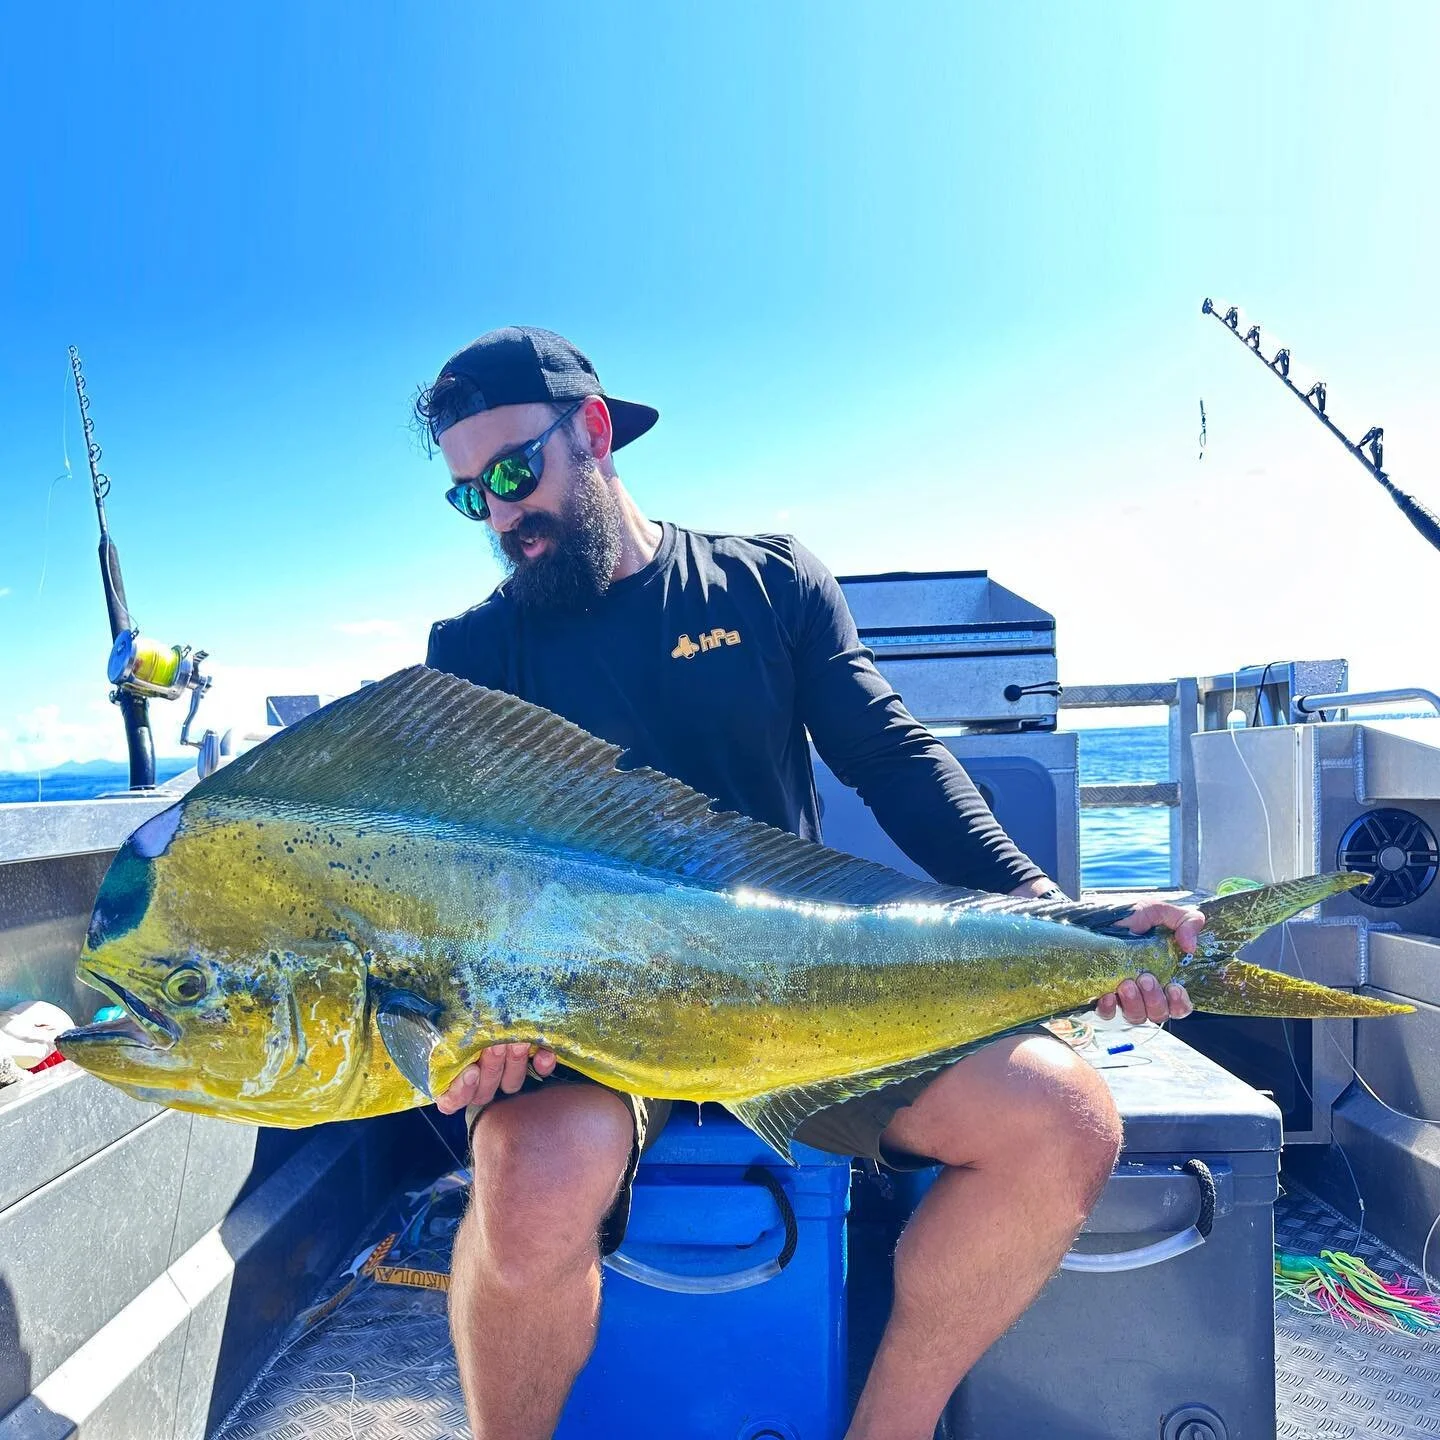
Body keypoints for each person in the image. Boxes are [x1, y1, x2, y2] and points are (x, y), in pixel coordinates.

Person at [417, 327, 1201, 1440]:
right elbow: (462, 879)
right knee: (529, 1184)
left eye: (511, 472)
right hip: (586, 1018)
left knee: (1064, 1119)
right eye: (468, 499)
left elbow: (897, 764)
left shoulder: (768, 582)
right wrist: (477, 1025)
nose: (501, 517)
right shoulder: (472, 650)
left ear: (592, 433)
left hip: (801, 995)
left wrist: (1071, 924)